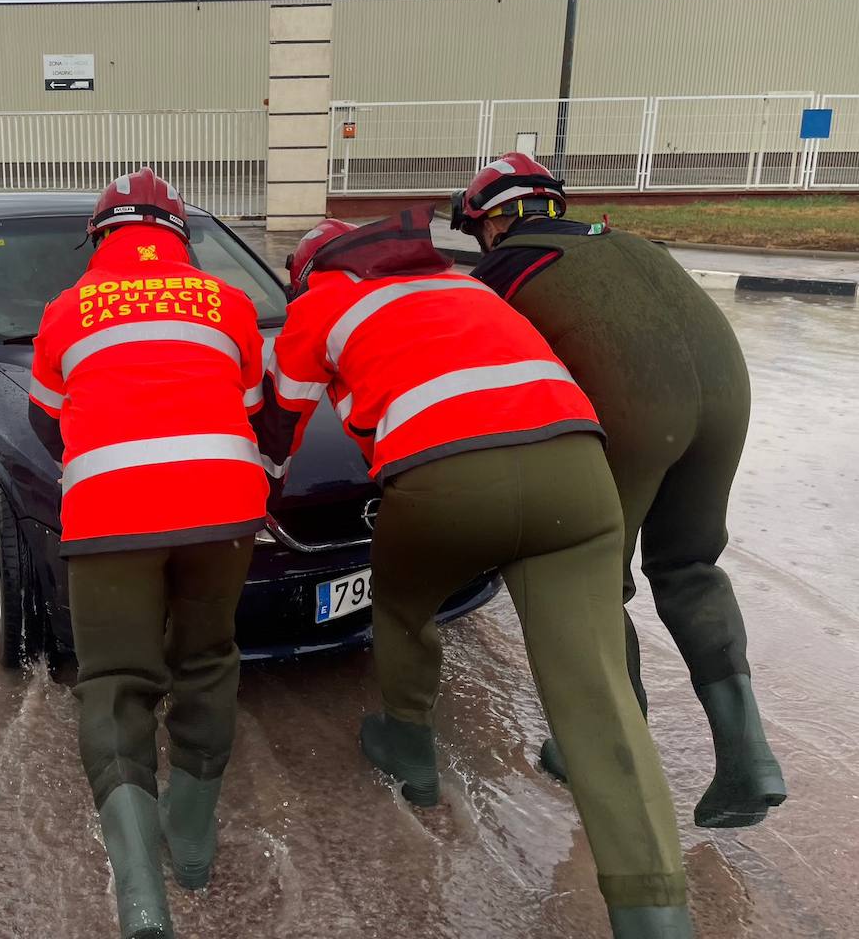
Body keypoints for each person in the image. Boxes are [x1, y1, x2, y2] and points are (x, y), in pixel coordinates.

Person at [258, 209, 692, 939]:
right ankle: (657, 915)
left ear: (308, 276)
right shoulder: (469, 287)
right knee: (597, 693)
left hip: (444, 484)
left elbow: (278, 430)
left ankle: (410, 749)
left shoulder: (324, 307)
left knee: (400, 610)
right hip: (578, 475)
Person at [454, 152, 787, 830]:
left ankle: (608, 751)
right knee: (690, 564)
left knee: (592, 581)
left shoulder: (498, 274)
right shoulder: (634, 243)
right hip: (728, 394)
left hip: (637, 407)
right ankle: (749, 758)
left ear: (490, 222)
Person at [28, 167, 267, 939]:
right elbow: (253, 408)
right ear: (181, 238)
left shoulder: (66, 310)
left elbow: (46, 423)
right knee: (207, 658)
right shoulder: (228, 303)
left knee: (114, 683)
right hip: (225, 509)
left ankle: (142, 898)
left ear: (98, 238)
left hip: (110, 514)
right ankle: (193, 845)